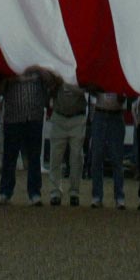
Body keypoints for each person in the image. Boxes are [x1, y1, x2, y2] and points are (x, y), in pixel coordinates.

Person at [0, 69, 48, 205]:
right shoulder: (10, 63)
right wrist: (9, 77)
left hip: (34, 115)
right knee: (10, 156)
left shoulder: (38, 62)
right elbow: (0, 87)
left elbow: (49, 81)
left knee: (34, 156)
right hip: (14, 116)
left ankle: (35, 192)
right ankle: (5, 191)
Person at [48, 78, 88, 206]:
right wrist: (56, 84)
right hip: (59, 116)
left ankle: (74, 192)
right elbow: (49, 91)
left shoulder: (80, 72)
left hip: (77, 117)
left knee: (76, 157)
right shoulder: (56, 71)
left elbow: (87, 90)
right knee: (55, 156)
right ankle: (55, 191)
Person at [90, 87, 129, 209]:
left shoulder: (120, 73)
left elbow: (124, 97)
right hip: (100, 112)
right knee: (97, 156)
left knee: (117, 158)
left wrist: (121, 94)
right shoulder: (100, 71)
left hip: (116, 114)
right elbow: (91, 89)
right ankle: (97, 196)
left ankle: (119, 197)